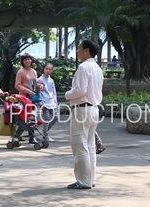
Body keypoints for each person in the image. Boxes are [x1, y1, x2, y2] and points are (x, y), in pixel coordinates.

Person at [65, 40, 103, 189]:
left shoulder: (84, 67)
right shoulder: (97, 68)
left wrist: (67, 94)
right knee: (90, 145)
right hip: (93, 108)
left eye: (79, 48)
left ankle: (83, 180)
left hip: (82, 109)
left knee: (79, 145)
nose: (78, 51)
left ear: (86, 51)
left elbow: (79, 90)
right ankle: (90, 178)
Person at [15, 53, 43, 144]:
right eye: (25, 59)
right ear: (22, 61)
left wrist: (40, 86)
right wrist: (27, 91)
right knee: (25, 117)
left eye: (29, 59)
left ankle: (29, 136)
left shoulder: (33, 71)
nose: (27, 61)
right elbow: (17, 85)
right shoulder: (21, 72)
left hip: (33, 97)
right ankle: (21, 135)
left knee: (32, 116)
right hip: (24, 98)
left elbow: (35, 83)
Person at [37, 63, 58, 142]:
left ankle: (45, 131)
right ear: (43, 69)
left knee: (55, 117)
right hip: (44, 102)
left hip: (52, 102)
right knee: (47, 118)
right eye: (46, 69)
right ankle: (45, 136)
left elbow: (54, 92)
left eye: (50, 69)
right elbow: (39, 92)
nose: (48, 71)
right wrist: (41, 103)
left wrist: (55, 102)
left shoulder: (51, 81)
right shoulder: (40, 79)